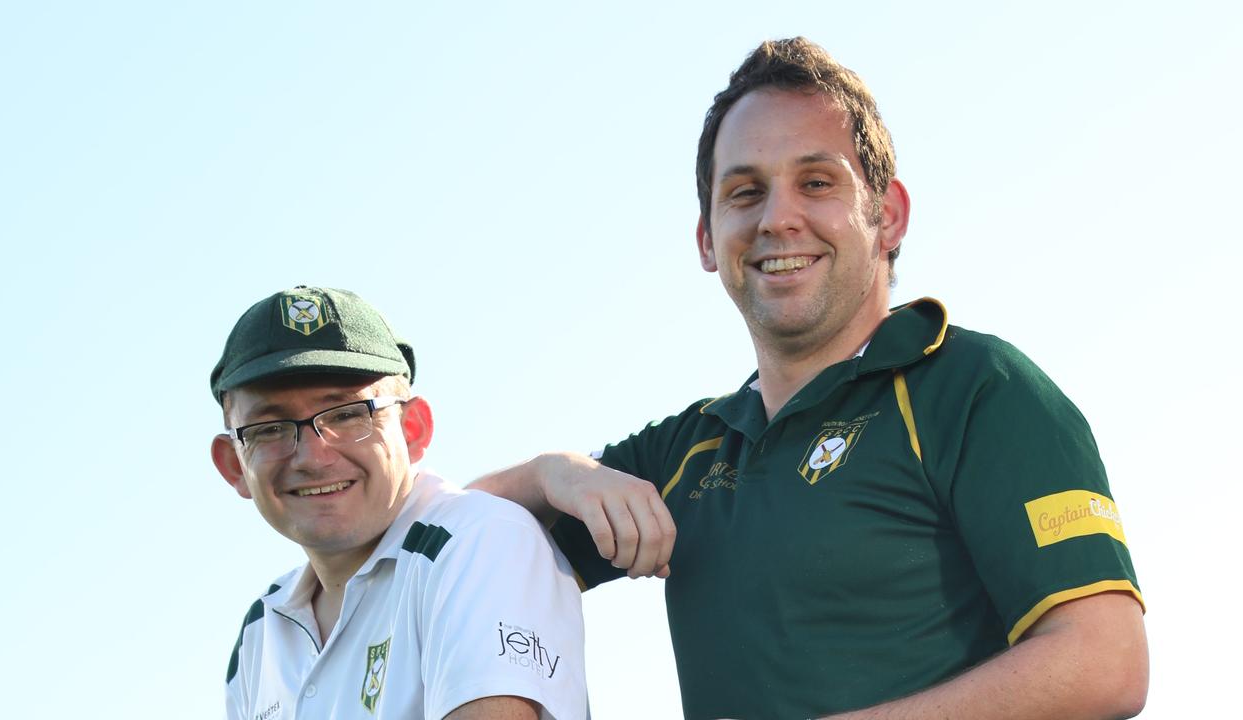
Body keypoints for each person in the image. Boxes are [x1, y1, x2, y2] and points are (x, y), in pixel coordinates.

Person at [474, 38, 1148, 719]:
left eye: (817, 182)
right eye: (744, 192)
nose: (777, 218)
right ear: (708, 239)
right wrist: (557, 473)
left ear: (887, 215)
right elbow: (454, 543)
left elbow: (1106, 662)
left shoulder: (976, 386)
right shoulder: (687, 452)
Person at [209, 286, 587, 720]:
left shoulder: (480, 541)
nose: (312, 457)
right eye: (270, 428)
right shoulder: (261, 628)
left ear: (413, 429)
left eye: (348, 414)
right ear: (234, 466)